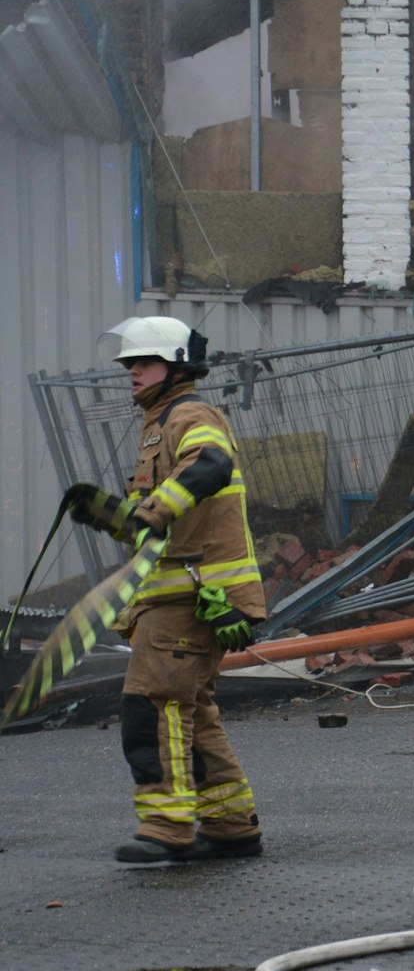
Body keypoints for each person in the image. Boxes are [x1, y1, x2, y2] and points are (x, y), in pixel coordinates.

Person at [67, 317, 267, 865]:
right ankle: (230, 825)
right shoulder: (160, 424)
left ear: (177, 365)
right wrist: (110, 515)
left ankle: (165, 827)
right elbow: (163, 523)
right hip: (180, 596)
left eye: (145, 362)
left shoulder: (189, 414)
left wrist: (151, 510)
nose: (132, 371)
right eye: (129, 363)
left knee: (151, 707)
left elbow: (212, 466)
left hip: (192, 598)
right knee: (190, 712)